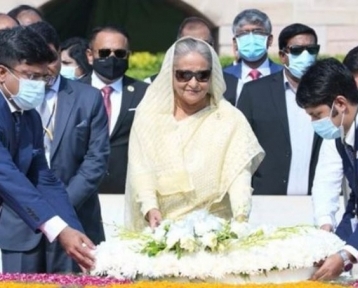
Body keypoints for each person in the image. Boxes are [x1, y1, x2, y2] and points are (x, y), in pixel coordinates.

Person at [0, 21, 109, 273]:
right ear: (2, 73)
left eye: (43, 77)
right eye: (30, 76)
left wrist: (73, 230)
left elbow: (42, 176)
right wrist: (59, 230)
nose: (39, 85)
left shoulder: (28, 117)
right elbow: (6, 175)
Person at [124, 36, 265, 231]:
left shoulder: (229, 118)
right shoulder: (150, 116)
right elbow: (140, 169)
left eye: (202, 75)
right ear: (170, 75)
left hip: (215, 229)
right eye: (184, 75)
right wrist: (150, 208)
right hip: (160, 227)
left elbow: (239, 174)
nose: (193, 83)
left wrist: (240, 219)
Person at [296, 58, 358, 279]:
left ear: (341, 104)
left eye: (317, 115)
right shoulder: (344, 135)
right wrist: (333, 246)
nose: (314, 123)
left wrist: (346, 255)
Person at [237, 23, 321, 196]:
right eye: (297, 50)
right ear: (283, 56)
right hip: (267, 201)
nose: (305, 55)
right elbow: (239, 150)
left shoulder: (329, 93)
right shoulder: (255, 93)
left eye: (311, 50)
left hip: (317, 201)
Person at [81, 25, 148, 195]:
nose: (112, 58)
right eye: (104, 53)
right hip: (81, 192)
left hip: (127, 192)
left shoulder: (145, 93)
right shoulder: (73, 92)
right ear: (90, 55)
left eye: (119, 53)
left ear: (128, 56)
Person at [145, 17, 239, 106]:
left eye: (204, 44)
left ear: (212, 46)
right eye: (189, 44)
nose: (197, 50)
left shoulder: (236, 86)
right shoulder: (151, 86)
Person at [223, 9, 283, 103]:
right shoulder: (224, 77)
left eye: (257, 32)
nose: (251, 38)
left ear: (270, 40)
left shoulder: (284, 75)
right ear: (235, 42)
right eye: (244, 33)